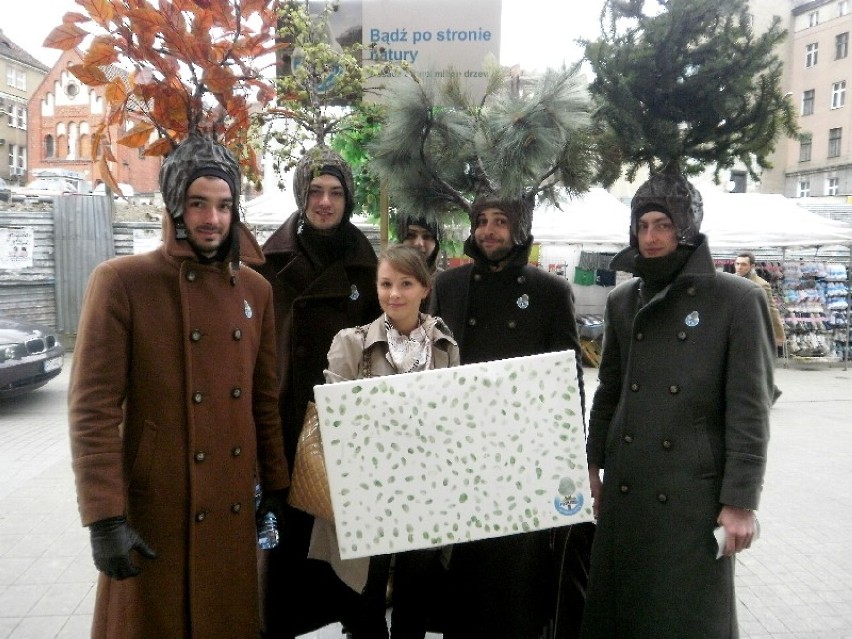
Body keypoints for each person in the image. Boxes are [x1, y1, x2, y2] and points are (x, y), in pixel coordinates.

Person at [68, 135, 290, 638]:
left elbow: (262, 401)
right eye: (198, 204)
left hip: (231, 506)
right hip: (156, 510)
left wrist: (275, 485)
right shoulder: (122, 281)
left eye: (224, 205)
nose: (212, 219)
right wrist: (104, 517)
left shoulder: (256, 290)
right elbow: (92, 410)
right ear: (175, 204)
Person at [582, 172, 773, 638]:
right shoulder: (623, 299)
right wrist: (590, 465)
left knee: (685, 618)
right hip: (628, 486)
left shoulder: (738, 299)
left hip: (691, 497)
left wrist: (741, 502)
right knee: (623, 615)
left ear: (686, 226)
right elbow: (609, 390)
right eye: (642, 225)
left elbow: (750, 408)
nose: (650, 237)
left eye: (663, 224)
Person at [430, 194, 590, 639]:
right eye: (482, 220)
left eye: (500, 221)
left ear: (518, 228)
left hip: (524, 463)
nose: (489, 231)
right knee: (463, 578)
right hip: (462, 461)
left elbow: (568, 381)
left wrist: (571, 462)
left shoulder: (550, 291)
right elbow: (431, 369)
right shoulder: (449, 286)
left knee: (516, 584)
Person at [258, 145, 381, 637]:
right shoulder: (269, 262)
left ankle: (361, 623)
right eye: (315, 191)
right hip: (289, 426)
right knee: (289, 552)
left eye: (335, 192)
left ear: (348, 199)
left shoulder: (366, 266)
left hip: (346, 433)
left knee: (349, 547)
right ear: (300, 195)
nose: (325, 202)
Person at [310, 244, 460, 639]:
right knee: (365, 605)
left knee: (413, 607)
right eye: (386, 284)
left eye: (406, 284)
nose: (394, 294)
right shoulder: (351, 343)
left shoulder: (444, 346)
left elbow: (455, 419)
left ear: (425, 288)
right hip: (366, 494)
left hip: (424, 495)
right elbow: (334, 421)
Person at [735, 251, 785, 403]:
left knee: (752, 365)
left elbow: (771, 309)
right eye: (737, 264)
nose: (739, 267)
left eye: (743, 264)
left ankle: (770, 391)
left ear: (752, 266)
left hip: (755, 331)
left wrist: (778, 334)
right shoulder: (732, 281)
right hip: (737, 330)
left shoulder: (761, 285)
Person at [397, 214, 442, 311]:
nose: (419, 243)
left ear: (436, 244)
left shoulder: (445, 284)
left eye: (427, 236)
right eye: (411, 235)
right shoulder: (386, 278)